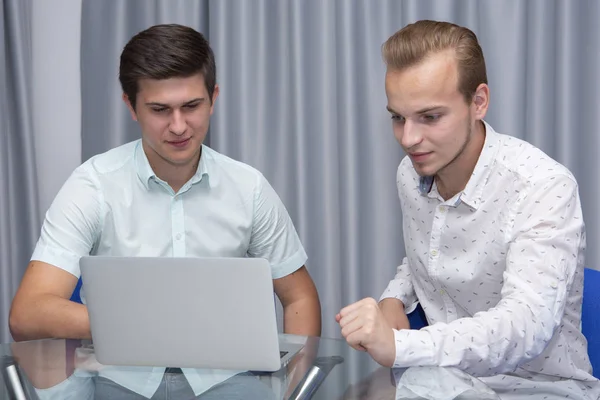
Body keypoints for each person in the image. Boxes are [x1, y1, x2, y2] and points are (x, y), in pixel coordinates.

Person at [9, 24, 321, 398]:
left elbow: (299, 296)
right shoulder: (92, 185)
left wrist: (293, 390)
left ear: (213, 97)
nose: (178, 127)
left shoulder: (248, 187)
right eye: (159, 110)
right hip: (119, 381)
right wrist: (145, 326)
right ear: (130, 105)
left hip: (229, 381)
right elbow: (28, 314)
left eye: (191, 106)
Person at [337, 20, 599, 399]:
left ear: (478, 102)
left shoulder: (542, 185)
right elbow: (426, 254)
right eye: (398, 117)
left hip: (539, 389)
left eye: (430, 117)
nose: (408, 139)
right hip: (442, 381)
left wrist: (401, 346)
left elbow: (525, 325)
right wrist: (393, 298)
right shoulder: (411, 173)